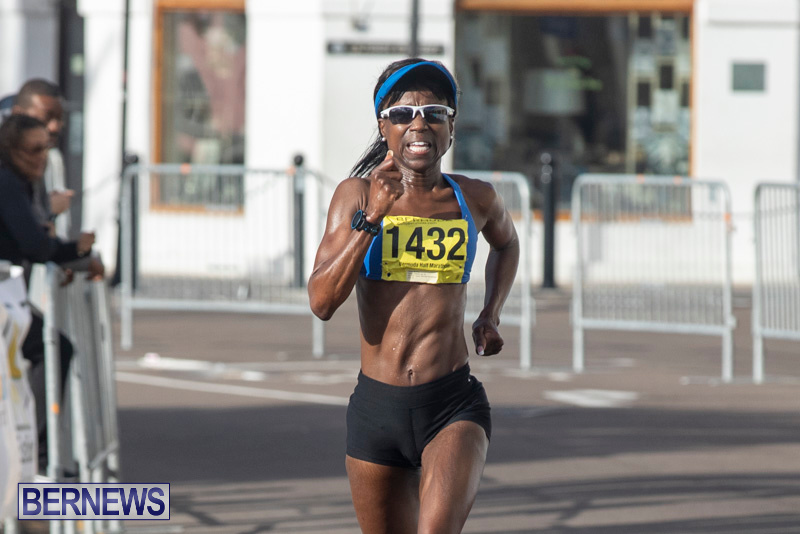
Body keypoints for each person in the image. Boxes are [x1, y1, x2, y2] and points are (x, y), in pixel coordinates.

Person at [308, 59, 520, 533]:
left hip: (451, 404)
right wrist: (373, 218)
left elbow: (507, 244)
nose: (419, 124)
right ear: (384, 127)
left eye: (434, 113)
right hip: (377, 409)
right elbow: (321, 301)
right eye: (403, 114)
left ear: (451, 128)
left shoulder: (476, 198)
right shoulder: (355, 196)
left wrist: (491, 313)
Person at [0, 114, 95, 475]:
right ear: (11, 150)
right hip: (5, 298)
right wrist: (75, 250)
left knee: (52, 348)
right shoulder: (8, 182)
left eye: (46, 148)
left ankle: (34, 459)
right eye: (34, 149)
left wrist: (70, 250)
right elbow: (35, 244)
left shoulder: (20, 183)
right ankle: (38, 461)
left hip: (10, 297)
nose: (42, 157)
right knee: (52, 349)